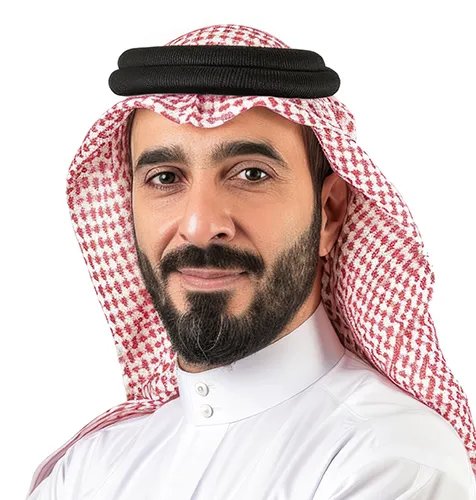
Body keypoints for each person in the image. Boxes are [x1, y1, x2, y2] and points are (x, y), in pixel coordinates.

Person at [27, 24, 476, 499]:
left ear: (328, 214)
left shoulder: (390, 460)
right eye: (165, 178)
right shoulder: (90, 466)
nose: (200, 226)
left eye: (252, 174)